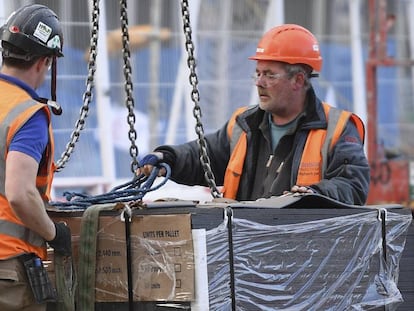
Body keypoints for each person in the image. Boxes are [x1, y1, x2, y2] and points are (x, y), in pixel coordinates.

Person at [138, 24, 370, 205]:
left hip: (305, 252)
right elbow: (202, 157)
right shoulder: (243, 125)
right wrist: (166, 158)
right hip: (244, 251)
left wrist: (315, 195)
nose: (259, 83)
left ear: (298, 80)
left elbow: (352, 184)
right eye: (257, 73)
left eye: (269, 75)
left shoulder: (337, 128)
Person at [0, 4, 71, 310]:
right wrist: (54, 233)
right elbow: (19, 192)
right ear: (45, 61)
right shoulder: (27, 114)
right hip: (7, 266)